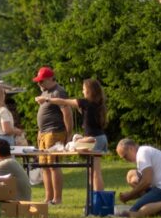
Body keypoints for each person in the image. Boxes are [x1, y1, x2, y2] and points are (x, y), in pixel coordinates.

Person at [35, 78, 108, 191]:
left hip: (93, 140)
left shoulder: (85, 102)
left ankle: (97, 199)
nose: (82, 91)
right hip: (101, 139)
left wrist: (47, 100)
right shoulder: (98, 104)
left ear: (89, 91)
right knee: (94, 172)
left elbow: (64, 102)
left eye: (84, 89)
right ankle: (96, 199)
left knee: (94, 173)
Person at [33, 66, 72, 206]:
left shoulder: (58, 92)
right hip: (43, 133)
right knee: (44, 166)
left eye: (42, 81)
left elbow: (67, 113)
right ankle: (48, 198)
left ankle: (57, 199)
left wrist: (69, 133)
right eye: (38, 81)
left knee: (53, 165)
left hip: (55, 132)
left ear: (50, 79)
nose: (39, 84)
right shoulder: (46, 92)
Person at [116, 138, 161, 217]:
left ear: (131, 148)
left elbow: (147, 181)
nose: (126, 160)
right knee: (131, 174)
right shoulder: (143, 151)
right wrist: (129, 196)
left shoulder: (142, 154)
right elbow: (147, 184)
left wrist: (129, 195)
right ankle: (160, 208)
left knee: (135, 211)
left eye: (125, 156)